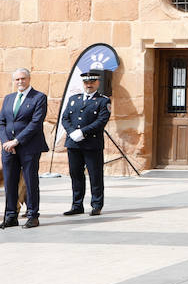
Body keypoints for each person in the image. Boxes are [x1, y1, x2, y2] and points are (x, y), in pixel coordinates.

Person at [1, 68, 48, 229]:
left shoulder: (39, 97)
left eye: (23, 78)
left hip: (29, 147)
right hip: (8, 149)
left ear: (29, 79)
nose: (20, 82)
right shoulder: (8, 98)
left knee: (30, 181)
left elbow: (35, 123)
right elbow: (2, 122)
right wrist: (6, 142)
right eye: (17, 79)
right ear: (14, 81)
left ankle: (33, 216)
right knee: (9, 182)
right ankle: (10, 215)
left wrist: (17, 141)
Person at [59, 70, 111, 217]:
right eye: (86, 82)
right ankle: (77, 205)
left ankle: (96, 204)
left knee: (95, 175)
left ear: (97, 83)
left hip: (92, 144)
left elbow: (101, 120)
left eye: (92, 82)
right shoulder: (73, 99)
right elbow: (65, 118)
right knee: (75, 174)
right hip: (74, 143)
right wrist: (71, 132)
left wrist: (83, 132)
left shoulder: (103, 101)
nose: (89, 85)